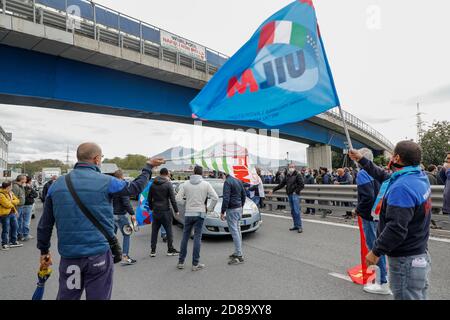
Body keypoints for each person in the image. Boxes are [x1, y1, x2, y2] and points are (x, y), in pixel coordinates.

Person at [37, 142, 165, 300]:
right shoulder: (106, 181)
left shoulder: (56, 185)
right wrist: (148, 167)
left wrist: (44, 251)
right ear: (97, 159)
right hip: (98, 254)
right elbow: (134, 188)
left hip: (70, 256)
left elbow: (45, 225)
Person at [349, 141, 432, 300]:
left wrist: (375, 252)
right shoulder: (418, 176)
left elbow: (396, 228)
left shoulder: (401, 187)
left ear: (397, 157)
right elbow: (383, 176)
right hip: (419, 252)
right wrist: (361, 159)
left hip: (405, 260)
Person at [353, 149, 391, 295]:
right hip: (379, 213)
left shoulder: (363, 173)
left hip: (369, 215)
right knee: (379, 245)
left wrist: (357, 209)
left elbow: (367, 196)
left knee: (374, 247)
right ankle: (384, 278)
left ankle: (383, 283)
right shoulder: (379, 171)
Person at [175, 166, 218, 271]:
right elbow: (215, 198)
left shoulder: (185, 184)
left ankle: (181, 262)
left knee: (185, 237)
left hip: (189, 213)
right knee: (197, 238)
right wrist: (209, 208)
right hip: (200, 213)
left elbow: (177, 198)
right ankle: (195, 264)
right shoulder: (206, 184)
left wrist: (186, 204)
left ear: (193, 172)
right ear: (202, 173)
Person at [148, 168, 180, 257]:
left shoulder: (153, 184)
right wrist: (176, 210)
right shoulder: (168, 184)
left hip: (156, 210)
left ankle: (153, 250)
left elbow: (149, 198)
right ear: (166, 174)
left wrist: (151, 208)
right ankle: (170, 249)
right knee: (169, 230)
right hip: (166, 210)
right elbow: (172, 199)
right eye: (169, 174)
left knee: (154, 231)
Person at [269, 163, 305, 233]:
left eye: (292, 167)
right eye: (290, 167)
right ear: (288, 168)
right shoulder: (287, 176)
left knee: (296, 210)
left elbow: (302, 185)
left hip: (295, 195)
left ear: (295, 167)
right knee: (293, 211)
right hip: (289, 195)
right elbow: (281, 184)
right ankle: (296, 225)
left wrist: (296, 191)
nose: (291, 168)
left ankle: (299, 226)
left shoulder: (298, 175)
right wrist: (273, 190)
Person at [112, 170, 138, 265]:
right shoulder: (122, 186)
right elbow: (126, 202)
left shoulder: (111, 186)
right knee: (127, 234)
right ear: (121, 176)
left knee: (111, 235)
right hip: (120, 215)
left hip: (112, 214)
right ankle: (125, 257)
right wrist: (132, 213)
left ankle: (110, 255)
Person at [220, 172, 247, 265]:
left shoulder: (227, 182)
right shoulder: (238, 180)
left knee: (234, 232)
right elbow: (244, 195)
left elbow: (226, 198)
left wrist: (222, 211)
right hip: (239, 208)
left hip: (232, 209)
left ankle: (239, 255)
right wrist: (241, 205)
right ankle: (237, 252)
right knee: (238, 231)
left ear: (225, 173)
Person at [0, 181, 23, 250]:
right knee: (6, 229)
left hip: (12, 213)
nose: (12, 187)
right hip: (4, 214)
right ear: (8, 187)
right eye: (11, 186)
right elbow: (7, 205)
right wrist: (12, 202)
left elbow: (17, 200)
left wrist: (10, 201)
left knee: (15, 226)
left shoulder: (11, 193)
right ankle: (4, 244)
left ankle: (13, 241)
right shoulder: (1, 194)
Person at [21, 176, 39, 241]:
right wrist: (31, 196)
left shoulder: (20, 186)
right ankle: (25, 235)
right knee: (26, 221)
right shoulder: (28, 187)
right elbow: (36, 195)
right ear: (28, 181)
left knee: (21, 220)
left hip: (20, 205)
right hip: (28, 205)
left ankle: (20, 234)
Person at [12, 175, 26, 241]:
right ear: (21, 179)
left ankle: (19, 235)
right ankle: (15, 236)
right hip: (17, 207)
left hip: (21, 206)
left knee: (20, 221)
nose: (26, 180)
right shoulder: (16, 186)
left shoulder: (21, 186)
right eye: (25, 179)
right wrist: (15, 209)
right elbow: (14, 198)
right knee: (16, 222)